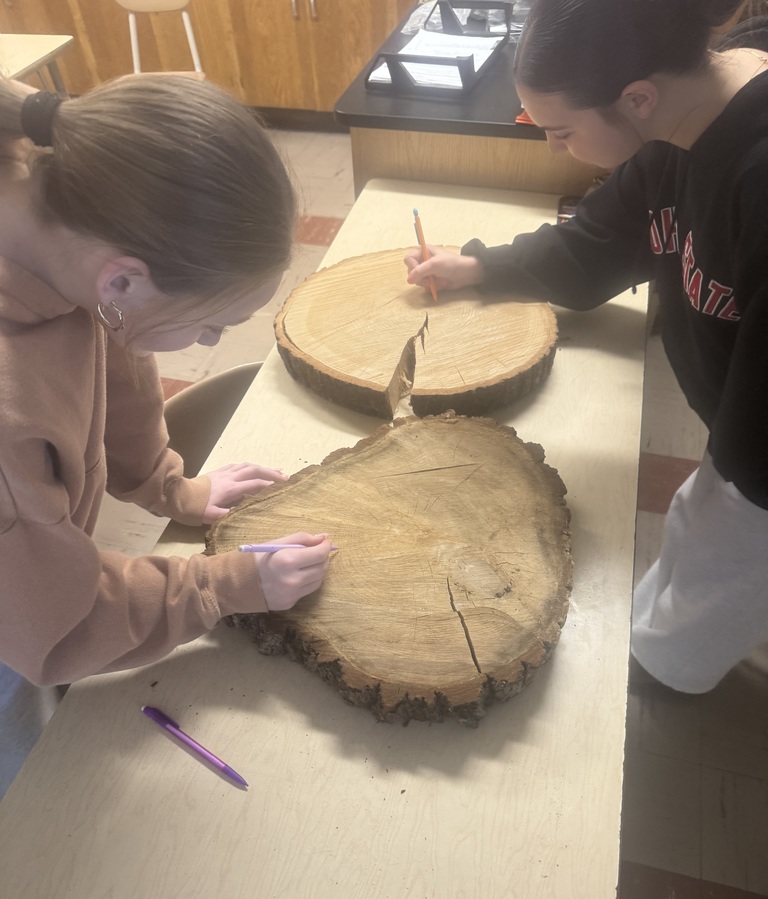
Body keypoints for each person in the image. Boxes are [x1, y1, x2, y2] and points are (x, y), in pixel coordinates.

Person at [405, 0, 768, 695]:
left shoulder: (755, 170)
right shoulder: (674, 122)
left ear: (636, 98)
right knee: (701, 518)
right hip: (738, 424)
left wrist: (736, 482)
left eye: (562, 131)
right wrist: (479, 269)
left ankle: (657, 684)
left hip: (763, 445)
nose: (554, 149)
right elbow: (601, 240)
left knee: (707, 594)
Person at [0, 72, 332, 687]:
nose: (205, 343)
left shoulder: (59, 205)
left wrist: (169, 487)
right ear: (123, 281)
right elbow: (60, 629)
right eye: (209, 328)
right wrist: (229, 584)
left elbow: (113, 346)